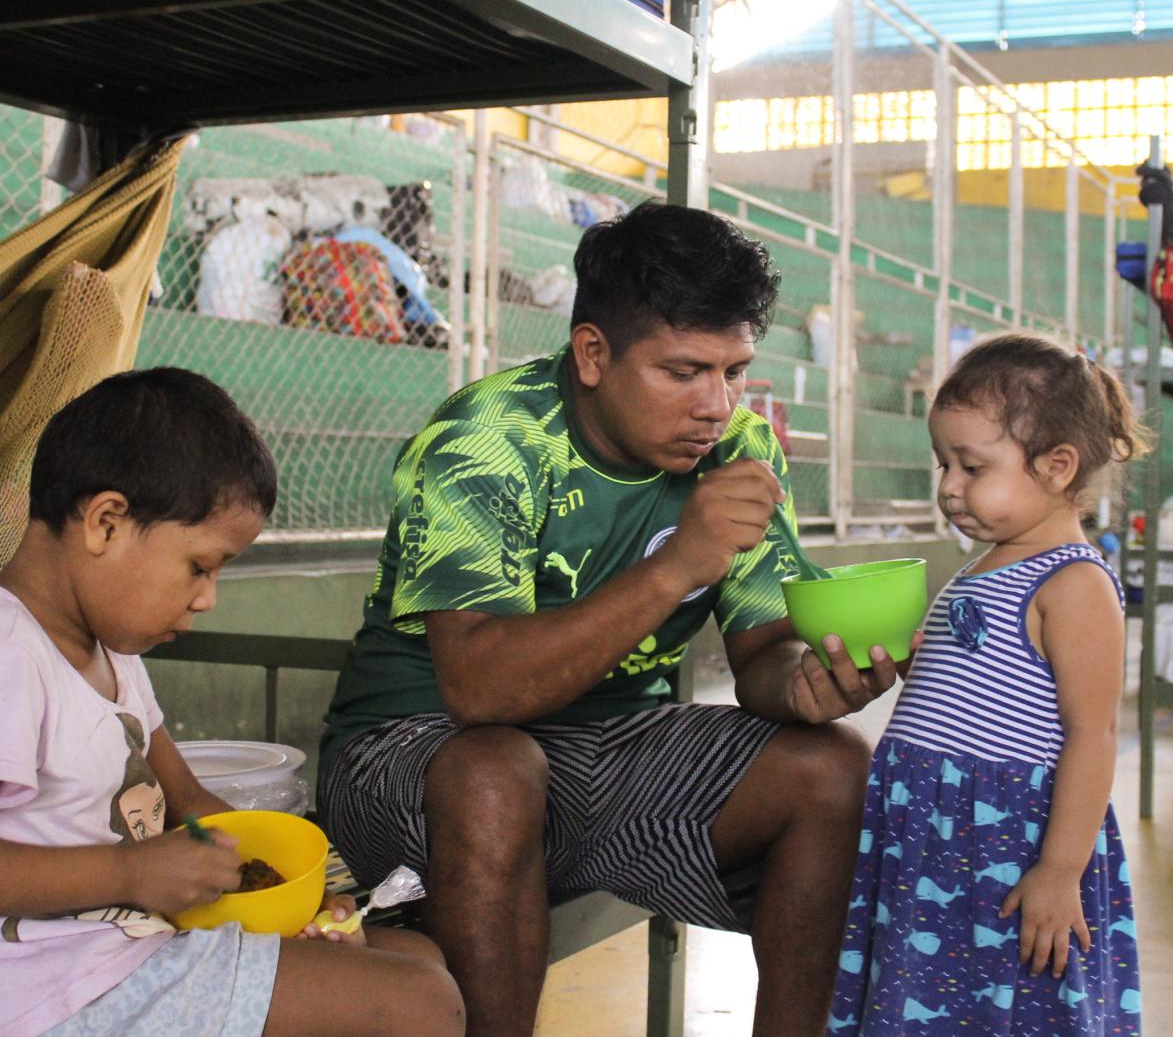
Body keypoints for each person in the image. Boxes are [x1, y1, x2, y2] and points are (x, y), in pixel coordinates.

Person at [320, 202, 905, 1036]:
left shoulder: (740, 448)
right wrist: (677, 565)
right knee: (495, 771)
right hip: (416, 750)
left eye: (734, 371)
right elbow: (480, 691)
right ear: (593, 353)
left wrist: (809, 686)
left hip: (604, 757)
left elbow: (763, 655)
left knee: (832, 768)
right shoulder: (486, 438)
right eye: (683, 371)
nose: (717, 404)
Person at [0, 368, 463, 1037]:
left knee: (419, 957)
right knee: (421, 1004)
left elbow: (188, 801)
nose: (208, 598)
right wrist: (130, 871)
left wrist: (289, 900)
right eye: (200, 566)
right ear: (106, 523)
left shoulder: (113, 654)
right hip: (69, 1001)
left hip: (143, 956)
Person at [830, 333, 1147, 1035]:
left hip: (1004, 846)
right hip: (933, 830)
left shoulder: (1073, 582)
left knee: (999, 1006)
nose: (948, 485)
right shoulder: (984, 565)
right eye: (943, 463)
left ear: (1058, 467)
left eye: (972, 466)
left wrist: (1061, 871)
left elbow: (1094, 734)